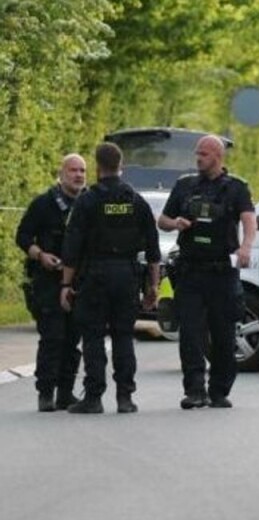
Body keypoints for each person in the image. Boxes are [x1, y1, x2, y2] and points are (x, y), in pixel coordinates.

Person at [59, 143, 161, 414]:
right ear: (121, 166)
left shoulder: (87, 201)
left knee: (93, 337)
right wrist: (153, 286)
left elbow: (72, 248)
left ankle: (93, 397)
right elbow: (153, 250)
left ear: (97, 167)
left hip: (95, 277)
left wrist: (66, 285)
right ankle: (125, 398)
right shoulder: (136, 201)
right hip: (127, 276)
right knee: (123, 336)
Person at [158, 135, 256, 410]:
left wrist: (246, 248)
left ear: (218, 156)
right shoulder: (185, 185)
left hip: (222, 271)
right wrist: (175, 223)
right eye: (197, 153)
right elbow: (162, 220)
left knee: (223, 334)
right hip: (191, 271)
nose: (198, 158)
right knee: (190, 334)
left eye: (204, 154)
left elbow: (249, 219)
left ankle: (219, 390)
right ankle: (194, 390)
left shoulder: (236, 188)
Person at [15, 154, 87, 411]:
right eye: (73, 171)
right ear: (62, 173)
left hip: (79, 280)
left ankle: (65, 392)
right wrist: (40, 255)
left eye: (82, 171)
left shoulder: (88, 203)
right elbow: (22, 236)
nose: (78, 175)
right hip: (48, 280)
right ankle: (46, 393)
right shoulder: (44, 204)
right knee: (52, 338)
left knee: (73, 339)